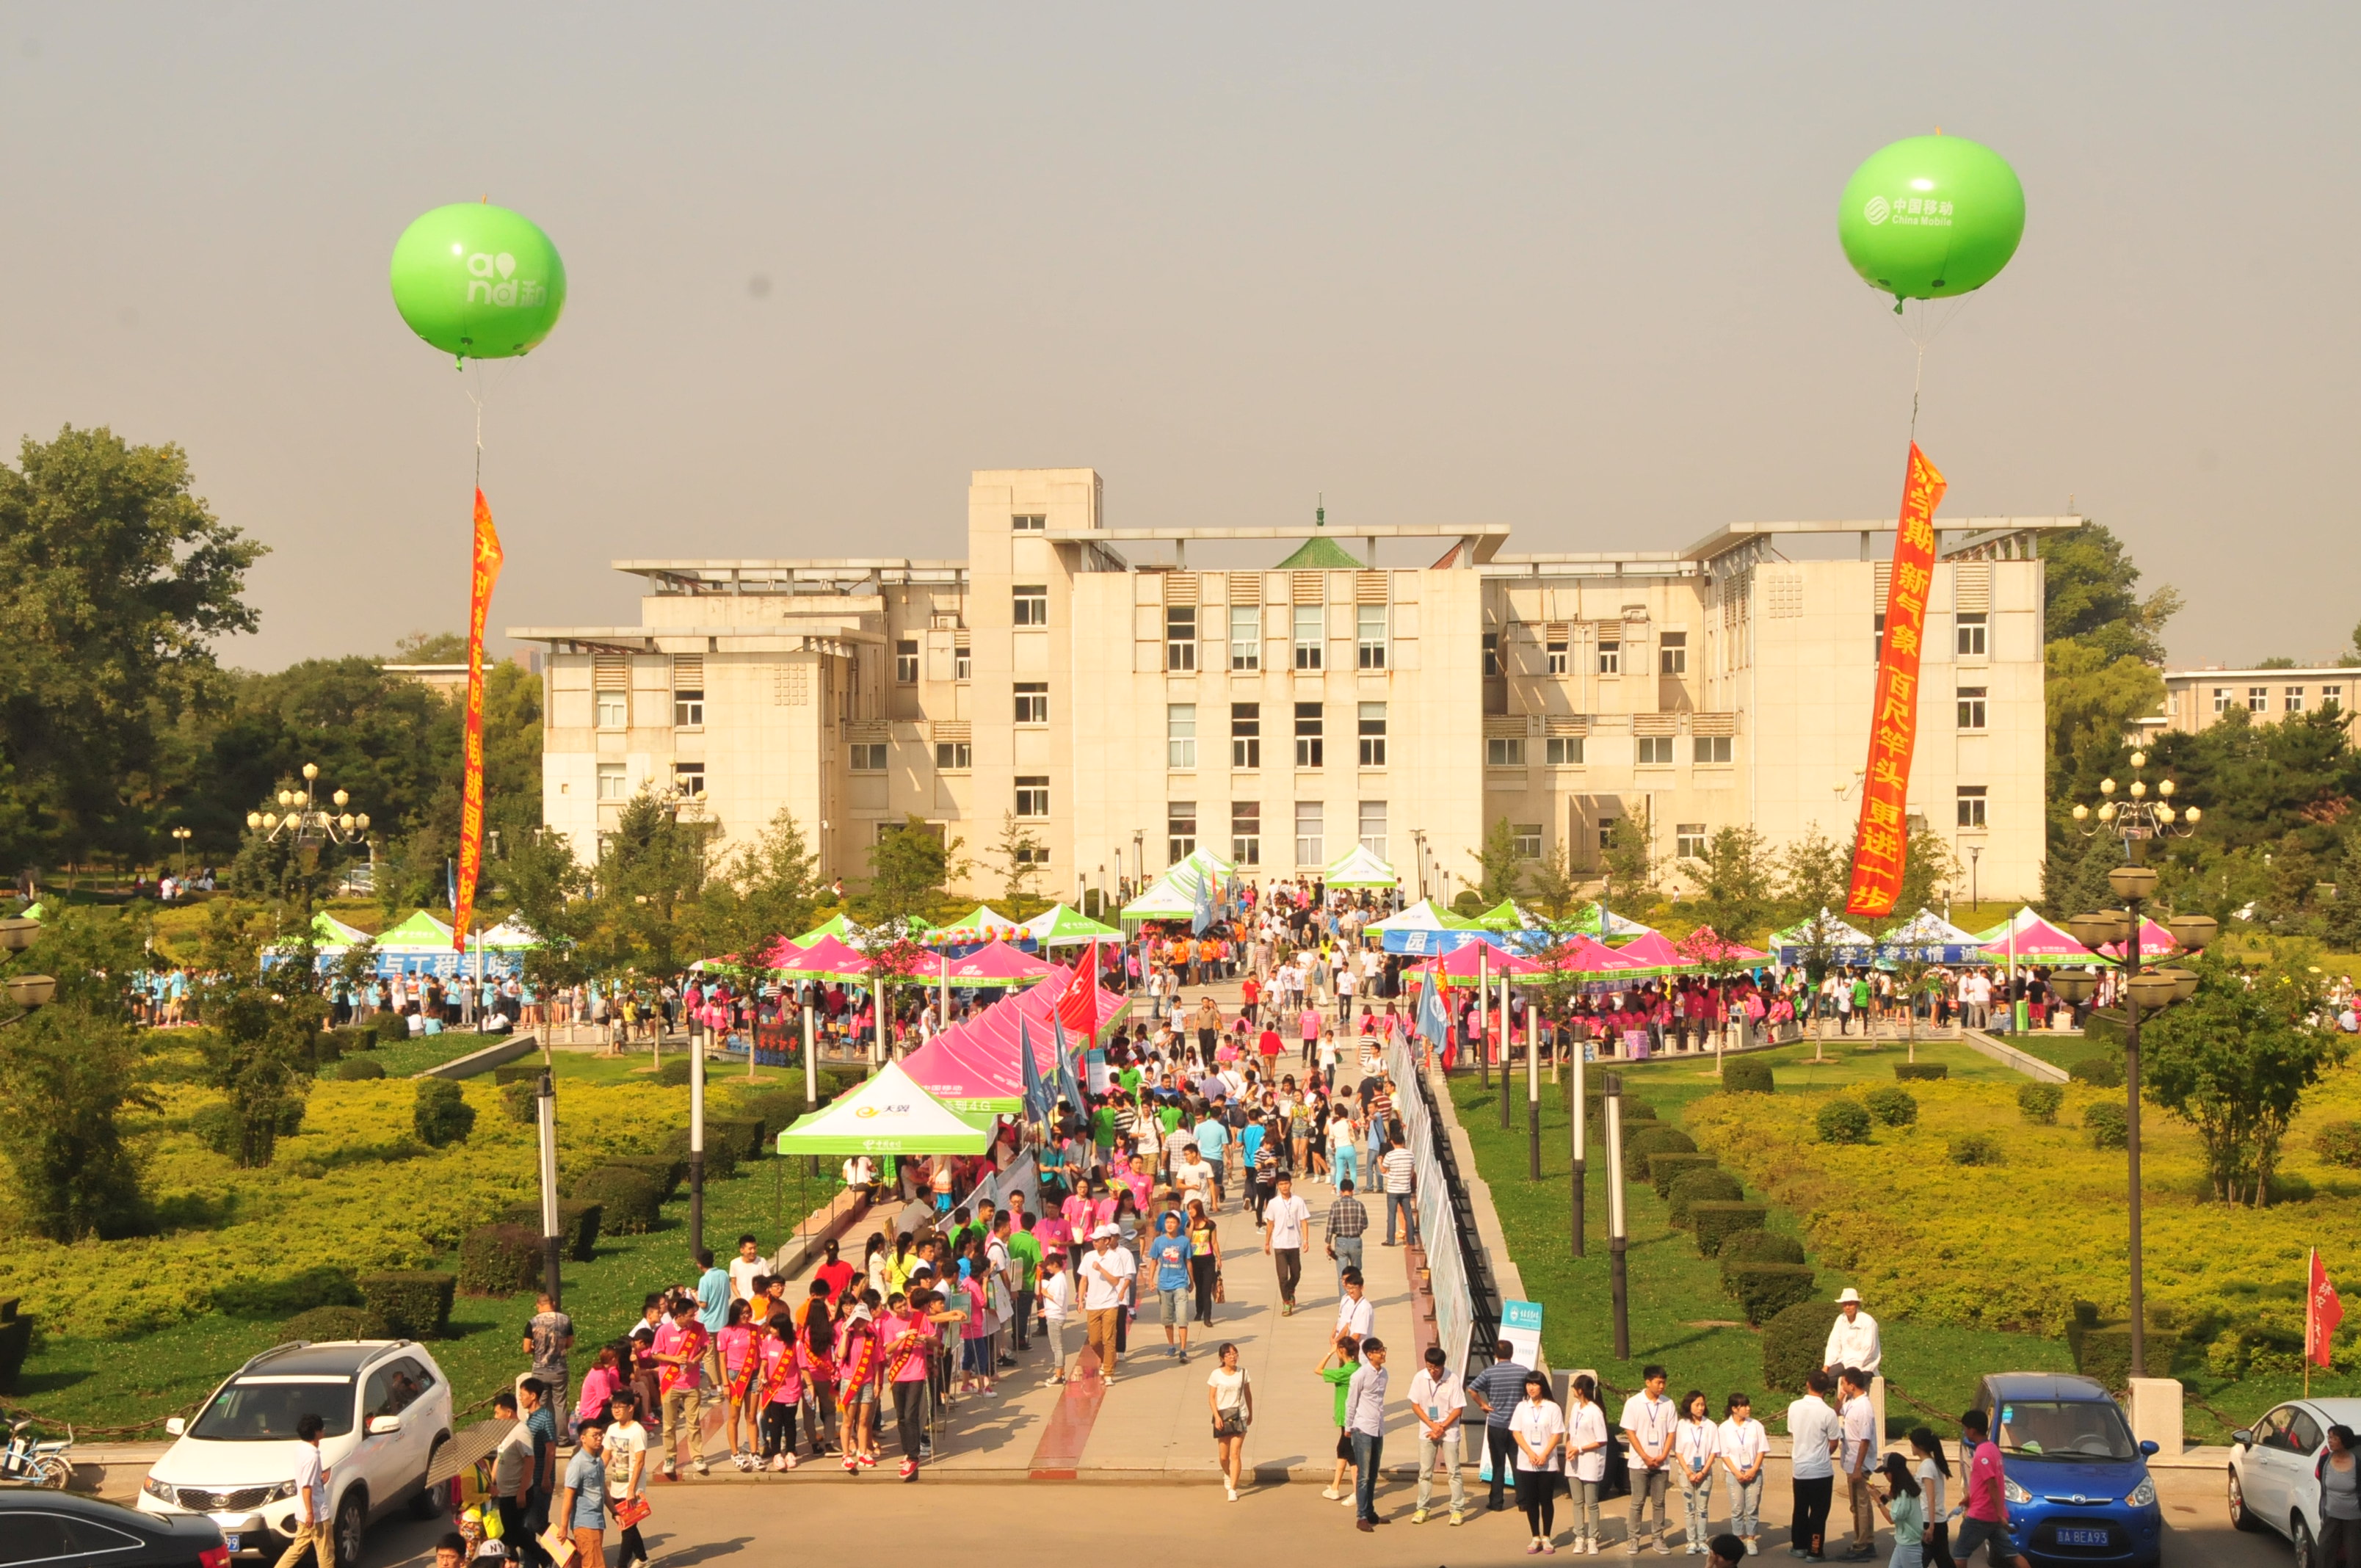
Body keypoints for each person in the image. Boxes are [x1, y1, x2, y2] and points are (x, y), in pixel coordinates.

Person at [1952, 1409, 2028, 1568]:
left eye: (1965, 1428)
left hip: (1981, 1515)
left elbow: (1992, 1484)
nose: (1965, 1432)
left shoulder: (1982, 1455)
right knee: (2012, 1554)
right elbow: (1987, 1483)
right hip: (1993, 1515)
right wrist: (1972, 1498)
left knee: (1959, 1554)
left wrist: (2000, 1513)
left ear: (1972, 1430)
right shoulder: (1992, 1449)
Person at [1469, 1337, 1532, 1514]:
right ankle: (1523, 1501)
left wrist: (1482, 1404)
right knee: (1518, 1462)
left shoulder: (1489, 1372)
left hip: (1496, 1423)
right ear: (1512, 1354)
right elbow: (1532, 1388)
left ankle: (1496, 1502)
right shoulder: (1522, 1371)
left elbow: (1472, 1389)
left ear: (1495, 1355)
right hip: (1517, 1426)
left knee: (1498, 1464)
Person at [1408, 1343, 1468, 1525]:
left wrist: (1441, 1427)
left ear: (1443, 1365)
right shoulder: (1420, 1378)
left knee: (1454, 1472)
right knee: (1425, 1472)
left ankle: (1457, 1510)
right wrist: (1432, 1425)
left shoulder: (1452, 1379)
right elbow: (1415, 1405)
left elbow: (1458, 1409)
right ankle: (1422, 1508)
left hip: (1449, 1430)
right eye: (1429, 1367)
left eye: (1436, 1368)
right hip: (1427, 1429)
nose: (1432, 1371)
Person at [1621, 1363, 1678, 1554]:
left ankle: (1658, 1538)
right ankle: (1633, 1539)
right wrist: (1645, 1456)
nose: (1662, 1386)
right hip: (1639, 1463)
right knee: (1637, 1502)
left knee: (1659, 1502)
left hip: (1661, 1463)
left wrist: (1663, 1455)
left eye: (1664, 1382)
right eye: (1658, 1382)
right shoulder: (1634, 1403)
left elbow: (1671, 1433)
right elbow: (1630, 1432)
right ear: (1648, 1382)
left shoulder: (1668, 1404)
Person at [1787, 1370, 1842, 1562]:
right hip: (1821, 1472)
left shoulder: (1794, 1407)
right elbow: (1834, 1442)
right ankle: (1815, 1551)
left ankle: (1799, 1546)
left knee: (1800, 1509)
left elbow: (1794, 1433)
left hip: (1800, 1469)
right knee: (1819, 1513)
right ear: (1827, 1389)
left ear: (1807, 1384)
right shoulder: (1828, 1413)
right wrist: (1823, 1455)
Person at [653, 1296, 711, 1479]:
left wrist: (695, 1361)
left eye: (694, 1315)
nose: (693, 1318)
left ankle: (697, 1456)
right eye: (690, 1315)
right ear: (679, 1315)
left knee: (693, 1423)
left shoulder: (698, 1329)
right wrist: (674, 1360)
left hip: (691, 1383)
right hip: (670, 1383)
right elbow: (656, 1354)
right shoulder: (664, 1330)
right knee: (669, 1425)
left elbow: (704, 1347)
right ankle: (670, 1458)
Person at [1510, 1370, 1567, 1553]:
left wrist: (1544, 1454)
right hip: (1527, 1462)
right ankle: (1535, 1537)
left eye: (1535, 1384)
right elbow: (1516, 1432)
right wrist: (1529, 1453)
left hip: (1547, 1461)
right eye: (1528, 1384)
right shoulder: (1522, 1407)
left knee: (1546, 1499)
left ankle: (1547, 1537)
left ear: (1542, 1386)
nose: (1531, 1388)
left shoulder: (1552, 1408)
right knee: (1531, 1500)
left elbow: (1557, 1434)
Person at [269, 1412, 330, 1568]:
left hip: (302, 1512)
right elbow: (306, 1487)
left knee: (299, 1547)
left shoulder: (301, 1449)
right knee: (326, 1552)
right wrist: (311, 1513)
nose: (324, 1430)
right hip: (316, 1513)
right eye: (321, 1428)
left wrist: (320, 1479)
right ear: (316, 1432)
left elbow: (307, 1479)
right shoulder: (312, 1456)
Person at [1079, 1224, 1136, 1384]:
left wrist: (1101, 1269)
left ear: (1106, 1240)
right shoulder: (1089, 1256)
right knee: (1094, 1341)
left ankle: (1109, 1373)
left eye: (1098, 1240)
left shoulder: (1115, 1257)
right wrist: (1081, 1298)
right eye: (1093, 1240)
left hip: (1110, 1303)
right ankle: (1107, 1359)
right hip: (1093, 1305)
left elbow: (1116, 1280)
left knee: (1109, 1338)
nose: (1094, 1243)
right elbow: (1083, 1279)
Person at [1347, 1337, 1390, 1531]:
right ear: (1369, 1354)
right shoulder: (1360, 1375)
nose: (1383, 1353)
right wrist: (1349, 1427)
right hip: (1362, 1428)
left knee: (1373, 1473)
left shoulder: (1384, 1374)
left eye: (1383, 1349)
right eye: (1379, 1350)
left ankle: (1370, 1511)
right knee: (1363, 1475)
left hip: (1378, 1428)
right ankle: (1361, 1516)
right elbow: (1351, 1402)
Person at [603, 1392, 650, 1568]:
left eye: (619, 1407)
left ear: (631, 1408)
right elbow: (606, 1455)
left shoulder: (637, 1431)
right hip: (616, 1483)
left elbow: (640, 1462)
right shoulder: (612, 1429)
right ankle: (643, 1559)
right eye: (613, 1406)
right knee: (627, 1525)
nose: (615, 1410)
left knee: (627, 1528)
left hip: (633, 1486)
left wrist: (632, 1489)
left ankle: (621, 1564)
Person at [1719, 1394, 1769, 1558]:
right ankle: (1739, 1539)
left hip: (1754, 1472)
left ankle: (1751, 1539)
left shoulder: (1756, 1426)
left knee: (1752, 1507)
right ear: (1734, 1409)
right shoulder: (1724, 1428)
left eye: (1748, 1405)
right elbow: (1724, 1453)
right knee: (1737, 1508)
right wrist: (1736, 1472)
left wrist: (1754, 1469)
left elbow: (1762, 1449)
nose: (1748, 1408)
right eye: (1744, 1406)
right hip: (1734, 1474)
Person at [555, 1419, 608, 1568]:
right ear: (583, 1438)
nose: (599, 1438)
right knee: (593, 1565)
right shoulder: (577, 1464)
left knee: (591, 1563)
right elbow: (568, 1496)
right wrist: (563, 1526)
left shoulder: (598, 1461)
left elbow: (603, 1488)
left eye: (601, 1434)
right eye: (595, 1435)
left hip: (597, 1521)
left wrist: (615, 1512)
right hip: (585, 1523)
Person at [1568, 1373, 1611, 1554]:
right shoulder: (1576, 1408)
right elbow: (1571, 1432)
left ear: (1580, 1390)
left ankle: (1593, 1537)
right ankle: (1579, 1536)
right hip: (1574, 1461)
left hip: (1590, 1461)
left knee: (1591, 1503)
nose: (1572, 1390)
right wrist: (1570, 1447)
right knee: (1577, 1501)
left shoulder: (1595, 1411)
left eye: (1574, 1387)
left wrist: (1579, 1449)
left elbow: (1602, 1440)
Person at [522, 1291, 574, 1437]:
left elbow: (526, 1348)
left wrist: (535, 1348)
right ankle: (563, 1438)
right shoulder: (565, 1320)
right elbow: (569, 1343)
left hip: (540, 1370)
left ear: (538, 1305)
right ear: (554, 1304)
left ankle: (541, 1437)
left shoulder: (532, 1322)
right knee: (560, 1405)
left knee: (540, 1405)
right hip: (559, 1369)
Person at [1208, 1340, 1255, 1502]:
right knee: (1223, 1456)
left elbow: (1248, 1394)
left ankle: (1233, 1489)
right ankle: (1227, 1473)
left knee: (1235, 1453)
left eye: (1235, 1353)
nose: (1233, 1357)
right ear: (1222, 1358)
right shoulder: (1216, 1374)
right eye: (1229, 1354)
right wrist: (1217, 1416)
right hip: (1222, 1416)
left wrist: (1250, 1412)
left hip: (1239, 1415)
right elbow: (1211, 1397)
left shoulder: (1243, 1373)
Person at [489, 1390, 535, 1554]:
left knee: (512, 1534)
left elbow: (530, 1461)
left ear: (509, 1413)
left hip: (515, 1494)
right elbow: (499, 1459)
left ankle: (546, 1559)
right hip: (503, 1493)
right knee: (511, 1535)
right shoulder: (505, 1432)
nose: (495, 1417)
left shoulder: (521, 1432)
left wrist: (522, 1492)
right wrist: (492, 1482)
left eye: (497, 1413)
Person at [1838, 1368, 1878, 1560]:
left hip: (1858, 1464)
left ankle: (1861, 1545)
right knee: (1858, 1504)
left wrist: (1857, 1468)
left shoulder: (1864, 1408)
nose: (1843, 1386)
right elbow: (1837, 1411)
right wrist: (1840, 1396)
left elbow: (1865, 1440)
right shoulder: (1853, 1402)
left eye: (1844, 1383)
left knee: (1860, 1504)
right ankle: (1865, 1540)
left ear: (1852, 1384)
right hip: (1851, 1460)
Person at [1319, 1337, 1363, 1502]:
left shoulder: (1346, 1371)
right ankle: (1335, 1487)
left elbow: (1318, 1370)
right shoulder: (1357, 1367)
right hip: (1349, 1416)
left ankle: (1357, 1492)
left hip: (1347, 1417)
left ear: (1342, 1350)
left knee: (1350, 1454)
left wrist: (1329, 1353)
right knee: (1343, 1451)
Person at [1147, 1209, 1195, 1361]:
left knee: (1182, 1318)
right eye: (1167, 1222)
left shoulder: (1184, 1241)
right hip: (1164, 1284)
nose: (1169, 1225)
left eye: (1173, 1222)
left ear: (1178, 1224)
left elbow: (1188, 1262)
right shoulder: (1159, 1241)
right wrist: (1151, 1280)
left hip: (1180, 1283)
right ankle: (1171, 1345)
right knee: (1167, 1319)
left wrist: (1191, 1280)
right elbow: (1154, 1261)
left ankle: (1183, 1349)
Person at [1676, 1390, 1719, 1555]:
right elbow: (1678, 1451)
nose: (1701, 1408)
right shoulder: (1682, 1425)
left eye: (1703, 1404)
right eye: (1697, 1404)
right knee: (1689, 1507)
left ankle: (1702, 1540)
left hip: (1704, 1471)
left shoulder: (1710, 1426)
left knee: (1702, 1508)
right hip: (1686, 1470)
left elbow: (1714, 1452)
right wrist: (1688, 1472)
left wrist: (1703, 1471)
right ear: (1689, 1406)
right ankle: (1691, 1541)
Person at [1263, 1170, 1312, 1315]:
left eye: (1286, 1184)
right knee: (1282, 1276)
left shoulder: (1298, 1201)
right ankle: (1286, 1302)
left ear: (1291, 1184)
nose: (1284, 1187)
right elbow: (1270, 1224)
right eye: (1281, 1184)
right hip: (1279, 1244)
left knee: (1296, 1273)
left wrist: (1306, 1240)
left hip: (1294, 1243)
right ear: (1278, 1186)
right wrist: (1267, 1242)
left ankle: (1291, 1290)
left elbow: (1304, 1221)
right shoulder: (1273, 1203)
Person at [2317, 1424, 2361, 1568]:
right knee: (2324, 1550)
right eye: (2329, 1437)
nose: (2330, 1441)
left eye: (2334, 1438)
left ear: (2345, 1441)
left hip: (2354, 1517)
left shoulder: (2357, 1463)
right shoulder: (2325, 1461)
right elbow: (2322, 1485)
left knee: (2354, 1556)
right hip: (2331, 1514)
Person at [1873, 1452, 1924, 1568]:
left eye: (1886, 1472)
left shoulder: (1904, 1493)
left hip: (1909, 1544)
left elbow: (1892, 1519)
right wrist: (1882, 1496)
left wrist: (1877, 1500)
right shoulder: (1904, 1488)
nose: (1885, 1475)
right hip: (1903, 1542)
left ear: (1894, 1472)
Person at [1038, 1248, 1080, 1384]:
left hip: (1056, 1317)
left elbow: (1059, 1299)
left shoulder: (1059, 1279)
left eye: (1049, 1266)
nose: (1048, 1269)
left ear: (1055, 1265)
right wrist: (1046, 1309)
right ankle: (1060, 1373)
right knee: (1057, 1347)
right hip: (1053, 1314)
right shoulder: (1058, 1278)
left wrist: (1046, 1294)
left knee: (1057, 1347)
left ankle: (1058, 1374)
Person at [1823, 1290, 1882, 1378]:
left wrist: (1850, 1373)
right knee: (1826, 1379)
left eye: (1850, 1304)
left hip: (1865, 1366)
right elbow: (1834, 1345)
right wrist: (1827, 1366)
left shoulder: (1868, 1322)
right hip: (1844, 1362)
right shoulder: (1841, 1320)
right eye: (1845, 1304)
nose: (1847, 1307)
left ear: (1857, 1305)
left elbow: (1868, 1351)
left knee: (1852, 1383)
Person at [1325, 1177, 1368, 1291]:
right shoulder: (1360, 1205)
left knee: (1342, 1275)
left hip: (1341, 1241)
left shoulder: (1335, 1205)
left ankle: (1345, 1302)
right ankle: (1356, 1298)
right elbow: (1365, 1224)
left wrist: (1328, 1242)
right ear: (1352, 1191)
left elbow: (1330, 1225)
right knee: (1356, 1273)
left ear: (1341, 1191)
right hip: (1356, 1241)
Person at [1186, 1199, 1222, 1327]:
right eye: (1188, 1209)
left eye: (1192, 1209)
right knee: (1199, 1289)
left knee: (1206, 1290)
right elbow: (1187, 1239)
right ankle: (1199, 1311)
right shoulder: (1189, 1225)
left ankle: (1208, 1317)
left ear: (1198, 1209)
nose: (1190, 1211)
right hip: (1195, 1261)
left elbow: (1214, 1242)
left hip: (1208, 1261)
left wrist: (1219, 1258)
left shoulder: (1210, 1224)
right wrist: (1191, 1224)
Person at [1379, 1132, 1417, 1246]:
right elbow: (1412, 1171)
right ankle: (1411, 1239)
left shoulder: (1390, 1155)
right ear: (1403, 1142)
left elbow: (1383, 1171)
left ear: (1392, 1142)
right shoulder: (1410, 1155)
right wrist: (1406, 1179)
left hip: (1393, 1189)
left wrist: (1380, 1162)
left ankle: (1390, 1240)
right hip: (1405, 1189)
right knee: (1408, 1214)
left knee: (1391, 1215)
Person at [728, 1233, 769, 1302]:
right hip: (743, 1302)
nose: (753, 1251)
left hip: (758, 1301)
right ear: (742, 1250)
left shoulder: (762, 1262)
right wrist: (739, 1297)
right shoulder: (734, 1263)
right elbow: (733, 1284)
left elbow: (768, 1281)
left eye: (755, 1248)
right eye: (750, 1249)